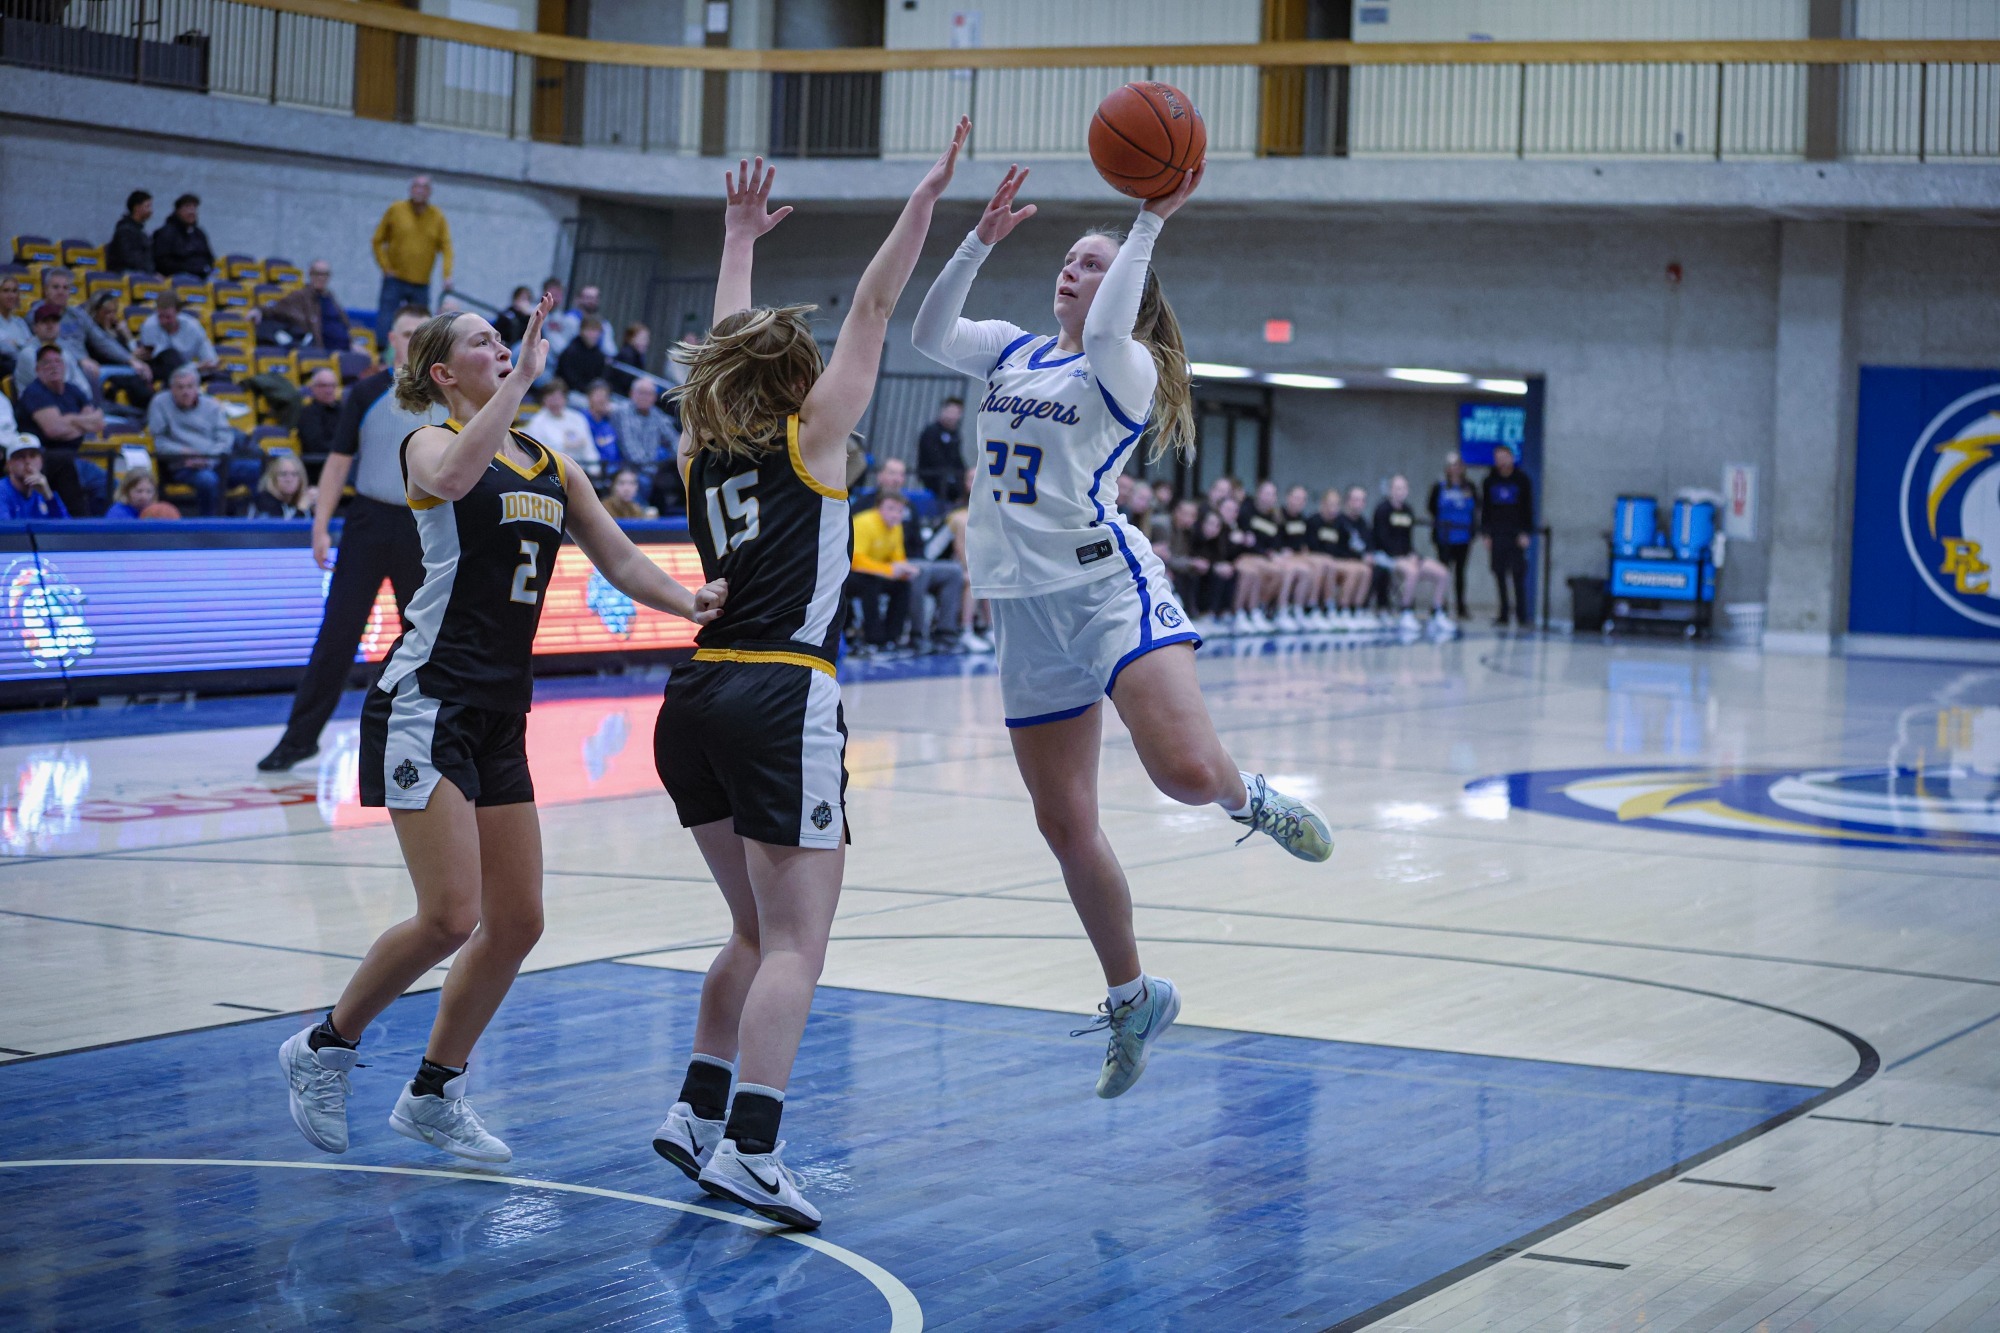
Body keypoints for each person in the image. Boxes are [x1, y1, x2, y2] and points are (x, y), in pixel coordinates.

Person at [912, 151, 1332, 1100]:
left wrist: (1150, 219)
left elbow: (1109, 321)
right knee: (1065, 824)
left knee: (1184, 775)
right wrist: (977, 240)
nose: (1073, 269)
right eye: (1068, 258)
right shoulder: (1011, 350)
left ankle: (1249, 797)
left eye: (1093, 263)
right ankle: (1133, 996)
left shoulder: (1127, 364)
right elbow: (929, 332)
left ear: (1129, 289)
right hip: (1023, 612)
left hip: (1107, 589)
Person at [276, 293, 728, 1169]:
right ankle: (324, 1046)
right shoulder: (427, 442)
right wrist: (519, 383)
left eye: (503, 340)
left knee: (517, 920)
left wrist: (690, 602)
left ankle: (434, 1090)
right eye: (485, 341)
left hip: (499, 708)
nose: (503, 347)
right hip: (426, 699)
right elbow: (451, 482)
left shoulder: (554, 464)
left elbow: (619, 556)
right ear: (445, 372)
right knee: (451, 914)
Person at [649, 134, 962, 1232]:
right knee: (795, 944)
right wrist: (923, 202)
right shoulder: (813, 439)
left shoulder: (699, 446)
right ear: (800, 380)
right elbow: (874, 306)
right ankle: (752, 1146)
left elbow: (719, 355)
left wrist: (737, 239)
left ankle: (696, 1111)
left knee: (750, 929)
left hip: (693, 700)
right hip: (781, 691)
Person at [258, 305, 440, 772]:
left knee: (424, 638)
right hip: (367, 521)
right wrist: (320, 526)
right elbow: (338, 462)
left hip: (425, 526)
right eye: (406, 333)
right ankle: (299, 739)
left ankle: (432, 739)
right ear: (391, 339)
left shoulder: (450, 395)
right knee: (337, 633)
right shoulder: (366, 392)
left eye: (423, 334)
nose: (414, 341)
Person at [865, 457, 966, 652]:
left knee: (953, 571)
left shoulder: (909, 505)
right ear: (880, 476)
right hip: (880, 564)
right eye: (892, 473)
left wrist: (917, 561)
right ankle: (917, 636)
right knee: (920, 571)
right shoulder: (865, 505)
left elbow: (918, 543)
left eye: (901, 474)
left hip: (910, 559)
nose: (896, 478)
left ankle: (946, 633)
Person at [147, 365, 255, 516]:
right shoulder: (160, 402)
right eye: (180, 387)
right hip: (183, 465)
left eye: (190, 386)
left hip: (216, 461)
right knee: (208, 480)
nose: (185, 392)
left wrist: (208, 459)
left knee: (256, 468)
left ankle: (258, 517)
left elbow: (225, 437)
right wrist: (183, 452)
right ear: (172, 389)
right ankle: (209, 525)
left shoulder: (211, 405)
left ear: (197, 388)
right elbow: (159, 441)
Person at [17, 344, 104, 515]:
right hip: (45, 460)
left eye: (57, 361)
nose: (53, 366)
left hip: (76, 457)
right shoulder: (35, 392)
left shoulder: (73, 390)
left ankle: (97, 528)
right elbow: (53, 430)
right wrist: (82, 423)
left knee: (109, 485)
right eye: (47, 363)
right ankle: (78, 525)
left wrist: (69, 420)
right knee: (74, 475)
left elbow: (98, 423)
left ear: (64, 366)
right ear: (37, 370)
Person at [371, 175, 452, 339]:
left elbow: (447, 248)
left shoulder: (437, 217)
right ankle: (381, 351)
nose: (420, 191)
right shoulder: (396, 210)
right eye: (416, 186)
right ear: (410, 189)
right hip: (394, 279)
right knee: (386, 319)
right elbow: (377, 240)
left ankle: (418, 353)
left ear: (430, 192)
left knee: (422, 325)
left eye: (424, 187)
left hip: (421, 283)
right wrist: (385, 267)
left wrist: (447, 275)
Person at [1373, 474, 1452, 634]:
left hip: (1406, 555)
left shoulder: (1408, 510)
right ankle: (1406, 612)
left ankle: (1437, 612)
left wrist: (1413, 555)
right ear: (1390, 490)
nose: (1400, 491)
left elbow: (1407, 539)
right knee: (1412, 571)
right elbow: (1382, 538)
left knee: (1442, 573)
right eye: (1397, 488)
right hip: (1387, 556)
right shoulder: (1382, 510)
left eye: (1403, 488)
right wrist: (1401, 556)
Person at [848, 488, 918, 654]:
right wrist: (889, 570)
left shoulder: (896, 527)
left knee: (902, 585)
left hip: (875, 572)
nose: (895, 514)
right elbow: (855, 560)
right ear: (878, 508)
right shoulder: (864, 523)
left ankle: (892, 638)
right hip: (847, 574)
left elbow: (898, 557)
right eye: (891, 509)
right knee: (869, 584)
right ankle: (873, 639)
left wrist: (905, 569)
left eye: (900, 511)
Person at [1482, 443, 1536, 628]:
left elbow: (1528, 508)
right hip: (1497, 534)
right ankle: (1503, 613)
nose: (1502, 461)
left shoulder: (1522, 480)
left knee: (1518, 574)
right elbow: (1485, 509)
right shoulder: (1489, 481)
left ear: (1512, 458)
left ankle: (1522, 615)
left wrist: (1526, 532)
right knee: (1499, 573)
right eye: (1498, 458)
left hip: (1516, 534)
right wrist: (1486, 534)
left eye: (1504, 457)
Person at [257, 260, 351, 353]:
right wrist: (258, 310)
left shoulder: (330, 297)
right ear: (310, 274)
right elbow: (275, 309)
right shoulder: (301, 296)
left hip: (345, 349)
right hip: (322, 351)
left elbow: (345, 323)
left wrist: (352, 342)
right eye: (317, 274)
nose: (321, 278)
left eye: (325, 274)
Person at [1311, 486, 1373, 626]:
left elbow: (1344, 547)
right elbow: (1310, 547)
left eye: (1335, 505)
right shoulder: (1314, 521)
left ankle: (1355, 609)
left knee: (1364, 569)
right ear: (1322, 504)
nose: (1332, 509)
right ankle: (1332, 608)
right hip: (1319, 560)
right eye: (1330, 504)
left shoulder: (1340, 524)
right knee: (1337, 567)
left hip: (1336, 560)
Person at [1428, 451, 1479, 621]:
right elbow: (1431, 507)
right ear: (1447, 468)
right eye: (1452, 466)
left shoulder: (1469, 487)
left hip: (1463, 537)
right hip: (1444, 537)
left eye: (1458, 465)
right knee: (1442, 572)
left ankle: (1461, 606)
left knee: (1460, 573)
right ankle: (1440, 604)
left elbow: (1476, 507)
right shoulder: (1440, 486)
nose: (1455, 469)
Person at [613, 376, 678, 499]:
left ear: (654, 397)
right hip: (628, 467)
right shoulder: (623, 412)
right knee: (643, 481)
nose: (645, 397)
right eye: (641, 392)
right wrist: (652, 469)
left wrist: (681, 459)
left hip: (653, 469)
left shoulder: (656, 414)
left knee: (676, 478)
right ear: (632, 393)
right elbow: (631, 451)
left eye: (649, 394)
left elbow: (674, 440)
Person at [84, 291, 152, 407]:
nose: (111, 316)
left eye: (114, 312)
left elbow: (130, 353)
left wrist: (128, 336)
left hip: (127, 368)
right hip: (108, 371)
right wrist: (107, 333)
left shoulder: (117, 330)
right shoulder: (92, 333)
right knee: (136, 382)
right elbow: (106, 356)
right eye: (107, 312)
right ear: (96, 312)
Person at [136, 291, 219, 385]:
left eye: (168, 317)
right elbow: (163, 357)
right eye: (160, 316)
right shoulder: (149, 326)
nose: (163, 321)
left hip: (189, 371)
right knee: (170, 354)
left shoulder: (193, 327)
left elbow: (209, 357)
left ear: (178, 312)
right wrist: (196, 367)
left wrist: (211, 364)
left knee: (221, 377)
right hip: (158, 370)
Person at [14, 302, 93, 400]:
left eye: (54, 321)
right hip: (38, 405)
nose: (50, 325)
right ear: (35, 328)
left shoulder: (64, 352)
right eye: (45, 322)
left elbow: (84, 387)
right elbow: (51, 388)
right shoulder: (28, 354)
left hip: (67, 404)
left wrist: (83, 403)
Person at [522, 379, 596, 472]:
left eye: (558, 398)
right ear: (544, 400)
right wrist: (565, 445)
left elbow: (589, 449)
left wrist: (595, 471)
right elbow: (538, 455)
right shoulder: (536, 423)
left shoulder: (578, 418)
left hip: (584, 471)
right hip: (554, 472)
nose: (555, 402)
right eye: (551, 398)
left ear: (565, 398)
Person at [0, 438, 68, 520]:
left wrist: (49, 497)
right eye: (20, 457)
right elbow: (5, 526)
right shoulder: (2, 491)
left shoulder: (43, 489)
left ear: (41, 461)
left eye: (33, 456)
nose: (28, 461)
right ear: (9, 465)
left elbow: (66, 525)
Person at [914, 396, 965, 502]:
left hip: (949, 476)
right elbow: (933, 458)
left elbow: (957, 459)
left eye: (956, 413)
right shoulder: (931, 431)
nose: (952, 416)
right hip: (933, 476)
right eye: (950, 411)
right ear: (943, 410)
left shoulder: (955, 434)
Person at [151, 193, 214, 280]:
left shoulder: (199, 234)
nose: (191, 212)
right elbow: (162, 261)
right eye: (187, 207)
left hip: (202, 276)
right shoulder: (166, 233)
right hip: (176, 277)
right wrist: (190, 268)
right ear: (178, 211)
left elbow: (209, 258)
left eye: (194, 208)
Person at [295, 367, 344, 460]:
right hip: (319, 462)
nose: (329, 390)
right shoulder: (307, 413)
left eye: (332, 386)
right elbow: (315, 446)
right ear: (313, 388)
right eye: (324, 386)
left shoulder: (343, 411)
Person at [252, 451, 315, 519]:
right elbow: (279, 525)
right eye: (283, 474)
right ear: (273, 478)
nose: (289, 479)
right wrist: (301, 509)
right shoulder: (264, 501)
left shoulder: (303, 499)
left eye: (294, 474)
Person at [554, 317, 610, 393]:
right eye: (591, 330)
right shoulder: (570, 352)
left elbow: (600, 378)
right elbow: (567, 377)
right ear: (582, 331)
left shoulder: (600, 356)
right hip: (569, 391)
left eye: (597, 331)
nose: (594, 335)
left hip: (590, 393)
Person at [107, 190, 155, 273]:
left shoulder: (140, 232)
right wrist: (150, 273)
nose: (151, 210)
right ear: (136, 207)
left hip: (140, 272)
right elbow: (128, 258)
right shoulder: (125, 231)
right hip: (124, 273)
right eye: (147, 206)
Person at [582, 379, 622, 475]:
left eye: (605, 396)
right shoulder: (581, 419)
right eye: (598, 396)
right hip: (592, 469)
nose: (602, 400)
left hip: (615, 470)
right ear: (589, 398)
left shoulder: (611, 421)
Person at [611, 322, 650, 395]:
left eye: (647, 338)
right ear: (631, 338)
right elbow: (626, 381)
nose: (646, 342)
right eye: (642, 338)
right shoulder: (627, 355)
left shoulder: (639, 356)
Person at [0, 274, 30, 365]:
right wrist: (21, 344)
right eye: (6, 291)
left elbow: (30, 346)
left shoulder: (20, 322)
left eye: (14, 291)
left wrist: (16, 344)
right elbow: (5, 347)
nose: (11, 295)